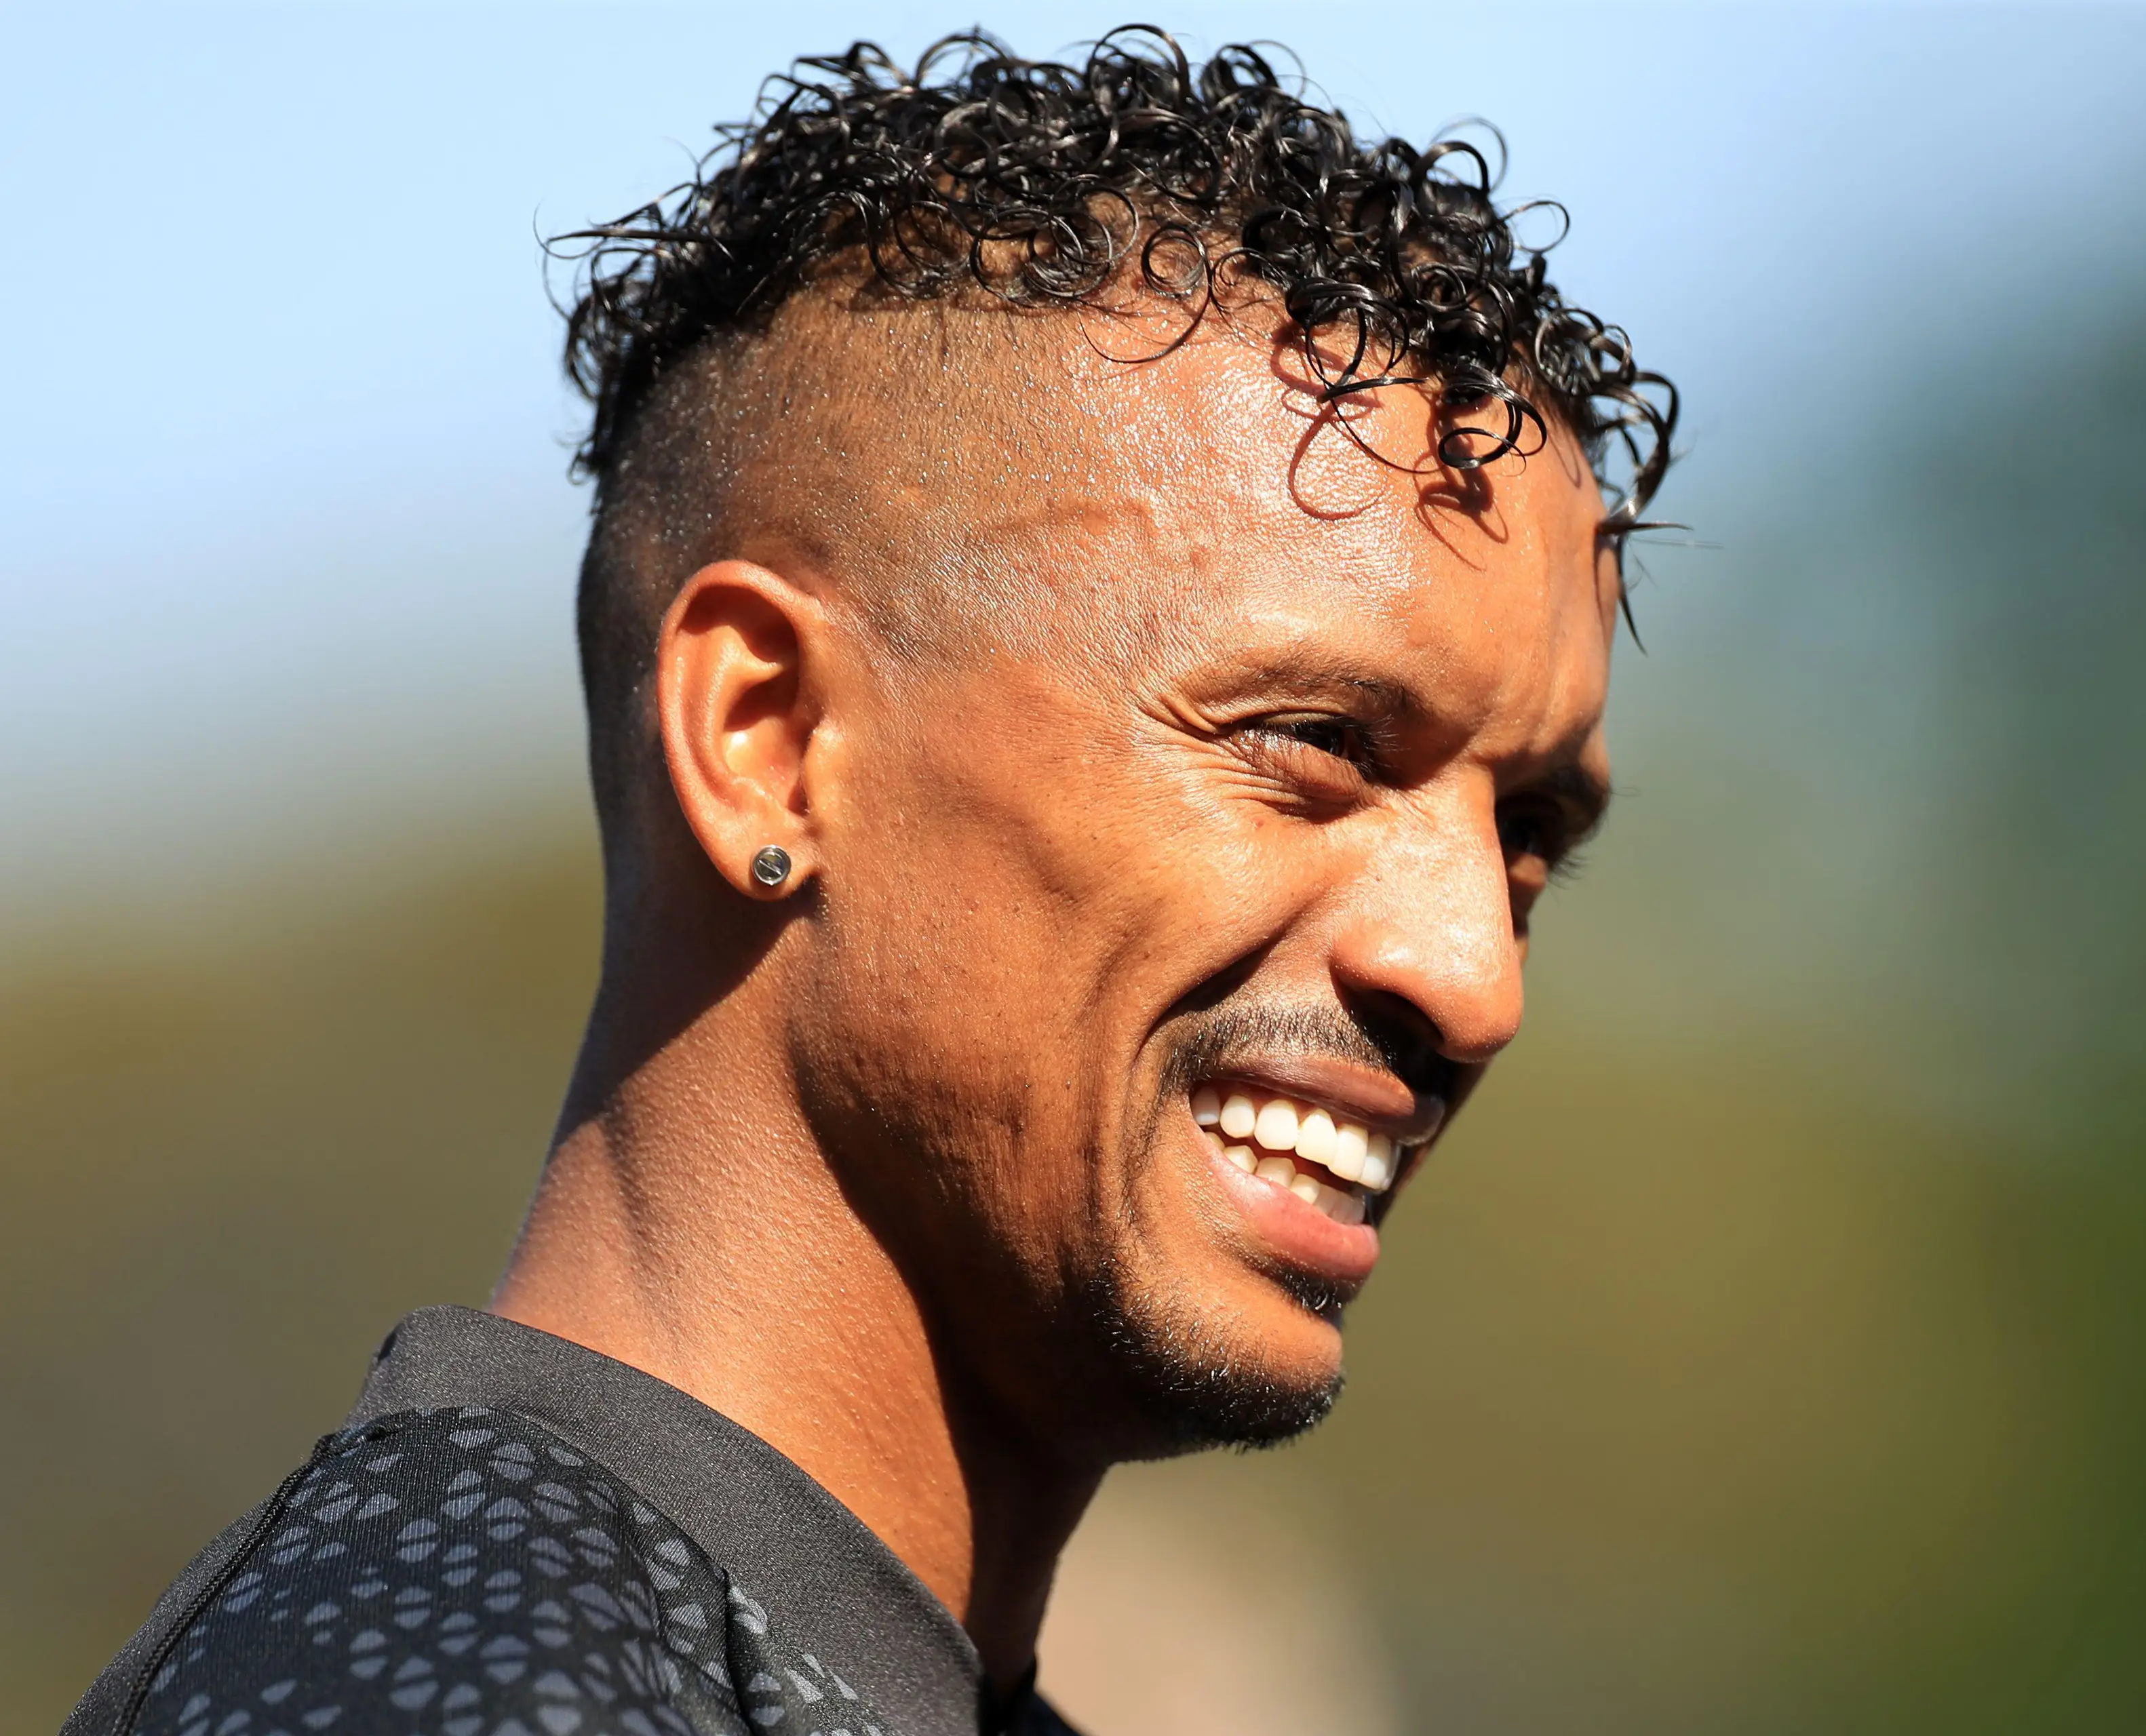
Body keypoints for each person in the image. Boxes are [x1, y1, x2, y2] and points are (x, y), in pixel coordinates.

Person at [66, 26, 1673, 1736]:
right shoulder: (462, 1680)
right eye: (1316, 742)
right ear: (768, 734)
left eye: (1526, 836)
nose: (1474, 972)